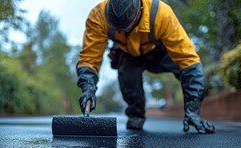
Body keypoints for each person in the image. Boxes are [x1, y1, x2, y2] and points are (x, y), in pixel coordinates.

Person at [76, 0, 215, 134]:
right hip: (128, 53)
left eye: (124, 27)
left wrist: (193, 110)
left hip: (158, 52)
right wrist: (88, 87)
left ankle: (193, 111)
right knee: (127, 75)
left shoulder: (161, 14)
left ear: (140, 11)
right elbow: (90, 58)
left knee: (187, 68)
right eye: (115, 27)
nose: (118, 30)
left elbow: (189, 61)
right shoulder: (98, 16)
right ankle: (136, 115)